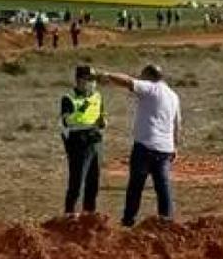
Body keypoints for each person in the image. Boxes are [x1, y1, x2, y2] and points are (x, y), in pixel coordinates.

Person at [98, 64, 181, 226]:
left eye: (143, 76)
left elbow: (128, 82)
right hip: (165, 148)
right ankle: (167, 220)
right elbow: (178, 123)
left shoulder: (151, 88)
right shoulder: (173, 95)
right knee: (163, 187)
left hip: (145, 146)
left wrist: (107, 75)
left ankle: (129, 220)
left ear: (149, 76)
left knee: (135, 186)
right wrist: (175, 146)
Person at [60, 65, 107, 214]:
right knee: (77, 182)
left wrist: (103, 121)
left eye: (93, 80)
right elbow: (67, 121)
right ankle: (70, 214)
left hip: (95, 139)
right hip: (78, 141)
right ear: (79, 80)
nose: (92, 83)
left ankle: (89, 214)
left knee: (93, 181)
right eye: (89, 80)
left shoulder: (97, 96)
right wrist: (83, 107)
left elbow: (101, 113)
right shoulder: (68, 98)